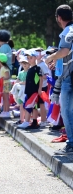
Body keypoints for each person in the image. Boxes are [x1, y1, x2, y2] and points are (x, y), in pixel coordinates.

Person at [45, 4, 73, 154]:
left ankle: (71, 145)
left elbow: (65, 50)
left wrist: (51, 57)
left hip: (69, 78)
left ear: (59, 18)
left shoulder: (68, 31)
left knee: (67, 112)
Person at [18, 49, 43, 129]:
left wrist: (39, 89)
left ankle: (27, 122)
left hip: (34, 91)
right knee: (31, 107)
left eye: (31, 58)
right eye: (28, 58)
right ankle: (34, 122)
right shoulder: (30, 69)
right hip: (28, 91)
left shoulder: (37, 68)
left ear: (35, 58)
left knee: (30, 106)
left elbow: (41, 79)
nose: (29, 60)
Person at [13, 56, 30, 125]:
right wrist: (18, 82)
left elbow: (27, 82)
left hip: (26, 91)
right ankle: (21, 119)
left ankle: (27, 119)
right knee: (21, 105)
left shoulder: (29, 72)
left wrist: (20, 82)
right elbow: (17, 80)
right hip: (20, 91)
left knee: (26, 106)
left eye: (26, 63)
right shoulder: (21, 73)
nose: (24, 64)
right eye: (23, 63)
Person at [0, 52, 12, 118]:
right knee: (5, 99)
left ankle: (7, 111)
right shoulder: (3, 67)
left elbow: (7, 76)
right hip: (4, 84)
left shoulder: (4, 68)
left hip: (6, 84)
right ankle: (5, 111)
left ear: (0, 61)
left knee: (6, 99)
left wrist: (2, 78)